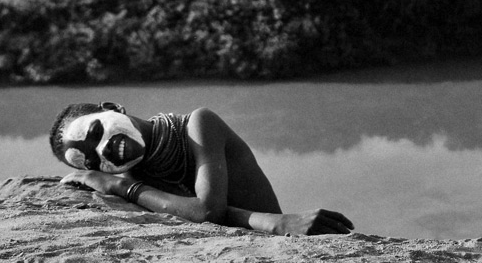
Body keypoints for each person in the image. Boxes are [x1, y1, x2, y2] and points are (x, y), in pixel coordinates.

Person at [49, 101, 354, 236]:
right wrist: (274, 222)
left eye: (95, 133)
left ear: (113, 108)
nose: (104, 150)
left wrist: (122, 188)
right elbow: (209, 212)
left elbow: (207, 212)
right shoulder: (137, 176)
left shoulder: (198, 124)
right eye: (93, 162)